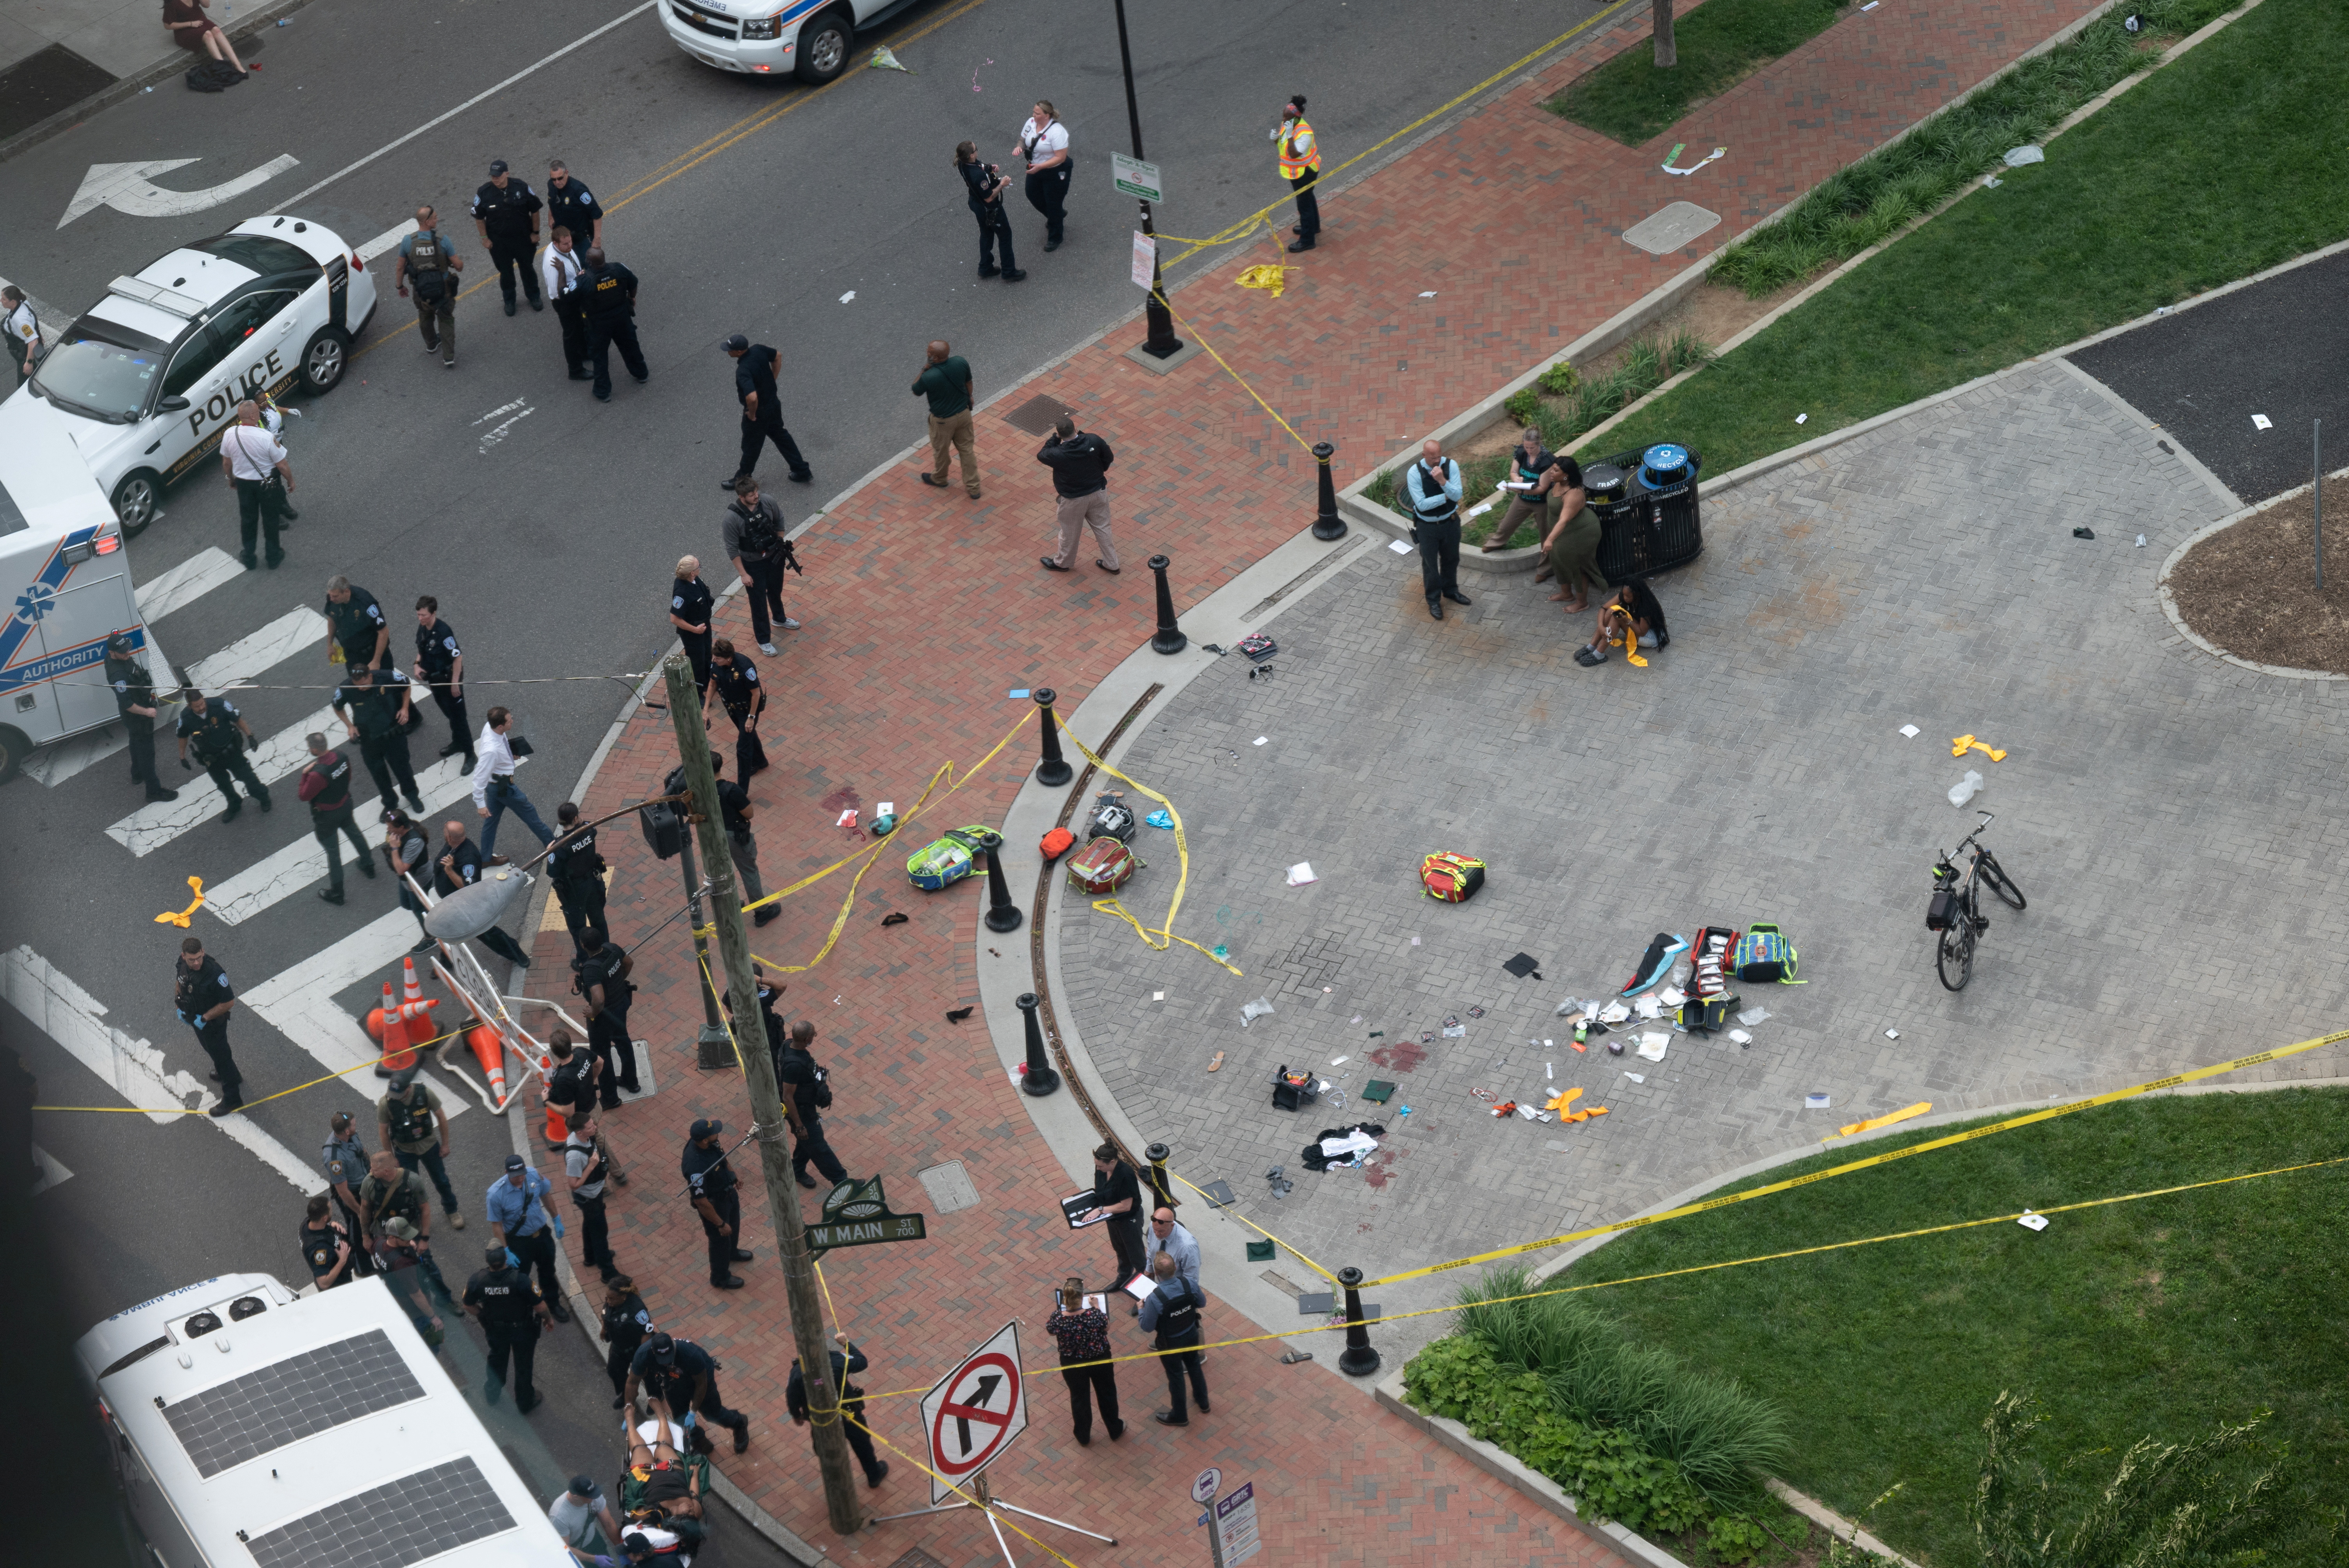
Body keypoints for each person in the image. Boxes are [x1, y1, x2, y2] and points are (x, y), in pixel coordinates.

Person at [786, 1330, 886, 1486]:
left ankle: (837, 1483)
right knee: (862, 1444)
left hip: (822, 1420)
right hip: (849, 1415)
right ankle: (874, 1475)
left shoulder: (798, 1372)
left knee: (825, 1449)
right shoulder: (837, 1361)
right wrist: (846, 1343)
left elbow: (792, 1397)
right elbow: (861, 1362)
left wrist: (796, 1415)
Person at [626, 1331, 752, 1454]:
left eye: (669, 1358)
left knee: (712, 1413)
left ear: (673, 1347)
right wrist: (629, 1408)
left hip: (699, 1380)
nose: (666, 1362)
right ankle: (700, 1442)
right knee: (681, 1417)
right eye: (662, 1360)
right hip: (672, 1381)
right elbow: (632, 1383)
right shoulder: (643, 1355)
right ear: (653, 1352)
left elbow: (701, 1384)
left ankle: (739, 1423)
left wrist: (693, 1413)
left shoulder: (691, 1355)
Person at [463, 1242, 552, 1410]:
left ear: (488, 1261)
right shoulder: (521, 1280)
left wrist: (483, 1316)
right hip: (522, 1330)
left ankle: (492, 1394)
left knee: (497, 1360)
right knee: (523, 1365)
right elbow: (540, 1306)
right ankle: (525, 1403)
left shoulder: (477, 1280)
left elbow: (468, 1305)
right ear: (506, 1258)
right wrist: (548, 1319)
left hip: (495, 1330)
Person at [435, 818, 533, 967]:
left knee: (488, 933)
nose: (443, 830)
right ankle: (447, 961)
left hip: (466, 904)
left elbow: (468, 887)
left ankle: (516, 954)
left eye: (445, 829)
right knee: (449, 929)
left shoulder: (469, 857)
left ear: (449, 836)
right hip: (451, 902)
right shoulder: (452, 845)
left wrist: (449, 871)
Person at [720, 476, 798, 656]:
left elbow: (780, 520)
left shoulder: (767, 501)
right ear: (741, 497)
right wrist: (743, 574)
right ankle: (764, 640)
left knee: (776, 591)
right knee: (758, 603)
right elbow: (732, 549)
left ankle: (780, 619)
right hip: (752, 564)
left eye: (756, 492)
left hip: (774, 558)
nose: (757, 496)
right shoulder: (732, 519)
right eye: (752, 495)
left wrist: (779, 542)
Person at [722, 335, 812, 487]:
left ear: (738, 352)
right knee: (781, 436)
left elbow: (752, 398)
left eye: (730, 350)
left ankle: (742, 480)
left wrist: (752, 414)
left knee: (751, 446)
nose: (727, 352)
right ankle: (802, 471)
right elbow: (777, 356)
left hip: (759, 413)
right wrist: (772, 379)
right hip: (773, 405)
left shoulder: (743, 370)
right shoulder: (758, 349)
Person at [334, 665, 426, 816]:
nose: (361, 689)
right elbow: (337, 706)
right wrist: (350, 726)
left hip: (393, 735)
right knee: (378, 773)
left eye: (364, 685)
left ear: (370, 676)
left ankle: (412, 796)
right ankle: (390, 802)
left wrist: (405, 708)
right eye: (358, 686)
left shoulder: (386, 677)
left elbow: (406, 684)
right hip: (369, 739)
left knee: (403, 769)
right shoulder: (347, 687)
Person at [297, 732, 375, 907]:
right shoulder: (342, 756)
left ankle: (338, 893)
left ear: (315, 750)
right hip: (345, 804)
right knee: (355, 833)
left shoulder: (317, 774)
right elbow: (348, 777)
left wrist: (304, 775)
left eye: (310, 748)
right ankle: (368, 864)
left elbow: (303, 795)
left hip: (327, 816)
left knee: (333, 854)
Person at [487, 1154, 569, 1320]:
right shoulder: (496, 1194)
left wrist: (556, 1218)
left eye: (522, 1174)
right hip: (519, 1242)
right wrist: (507, 1251)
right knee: (519, 1277)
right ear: (506, 1173)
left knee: (548, 1270)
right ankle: (524, 1308)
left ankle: (553, 1303)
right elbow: (497, 1225)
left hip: (541, 1235)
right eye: (515, 1176)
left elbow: (546, 1194)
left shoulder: (533, 1175)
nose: (520, 1179)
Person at [378, 1069, 464, 1224]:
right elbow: (383, 1131)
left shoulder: (425, 1093)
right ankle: (415, 1215)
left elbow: (441, 1117)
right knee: (409, 1187)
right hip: (404, 1151)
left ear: (409, 1088)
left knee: (442, 1180)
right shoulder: (386, 1104)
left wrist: (445, 1144)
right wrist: (391, 1159)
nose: (394, 1097)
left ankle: (452, 1211)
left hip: (429, 1146)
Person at [1044, 1276, 1123, 1445]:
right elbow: (1107, 1326)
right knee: (1107, 1394)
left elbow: (1051, 1331)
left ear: (1065, 1298)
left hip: (1072, 1364)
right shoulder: (1094, 1316)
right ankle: (1115, 1429)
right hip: (1099, 1360)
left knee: (1079, 1398)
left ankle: (1083, 1435)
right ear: (1082, 1297)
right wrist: (1097, 1307)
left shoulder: (1058, 1318)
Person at [1036, 415, 1119, 574]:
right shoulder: (1093, 440)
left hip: (1073, 500)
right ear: (1075, 429)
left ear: (1060, 435)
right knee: (1103, 528)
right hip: (1098, 492)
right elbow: (1109, 458)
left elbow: (1042, 454)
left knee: (1069, 533)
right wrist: (1100, 471)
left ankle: (1063, 563)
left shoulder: (1057, 453)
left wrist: (1054, 440)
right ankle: (1112, 564)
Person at [359, 1150, 451, 1294]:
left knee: (427, 1266)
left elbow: (425, 1210)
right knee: (389, 1272)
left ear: (387, 1171)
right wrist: (366, 1236)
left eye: (374, 1169)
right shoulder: (369, 1183)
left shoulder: (412, 1181)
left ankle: (445, 1299)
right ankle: (401, 1302)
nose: (371, 1171)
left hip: (409, 1233)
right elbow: (365, 1209)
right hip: (384, 1235)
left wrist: (424, 1239)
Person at [173, 687, 270, 819]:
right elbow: (182, 737)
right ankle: (235, 803)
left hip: (232, 753)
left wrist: (250, 736)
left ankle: (263, 797)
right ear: (189, 706)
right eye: (197, 707)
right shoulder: (186, 718)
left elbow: (238, 719)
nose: (201, 708)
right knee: (224, 785)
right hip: (212, 760)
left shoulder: (219, 705)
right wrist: (182, 757)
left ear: (204, 698)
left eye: (202, 703)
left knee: (248, 779)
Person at [774, 1019, 847, 1191]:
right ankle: (843, 1183)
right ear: (807, 1039)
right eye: (813, 1035)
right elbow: (788, 1097)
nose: (814, 1037)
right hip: (801, 1112)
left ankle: (797, 1171)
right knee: (819, 1147)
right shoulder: (794, 1065)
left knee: (807, 1141)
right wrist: (799, 1126)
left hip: (806, 1106)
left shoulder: (788, 1046)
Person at [173, 936, 243, 1115]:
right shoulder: (182, 963)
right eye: (192, 959)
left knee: (221, 1057)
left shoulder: (215, 973)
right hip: (194, 1017)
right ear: (184, 956)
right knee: (211, 1050)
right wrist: (178, 1007)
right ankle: (232, 1075)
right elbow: (180, 982)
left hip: (211, 1023)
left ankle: (233, 1099)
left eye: (199, 958)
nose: (196, 963)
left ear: (203, 952)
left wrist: (204, 1019)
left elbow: (228, 1002)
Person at [1138, 1251, 1209, 1426]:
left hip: (1170, 1343)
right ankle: (1204, 1402)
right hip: (1191, 1333)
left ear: (1156, 1273)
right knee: (1195, 1366)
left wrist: (1141, 1309)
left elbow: (1147, 1327)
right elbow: (1202, 1303)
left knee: (1176, 1377)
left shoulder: (1155, 1298)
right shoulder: (1189, 1284)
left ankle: (1180, 1416)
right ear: (1176, 1268)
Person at [219, 401, 292, 570]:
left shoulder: (230, 434)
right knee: (271, 520)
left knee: (248, 520)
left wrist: (230, 478)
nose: (260, 413)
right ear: (252, 416)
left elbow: (226, 462)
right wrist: (291, 481)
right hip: (267, 485)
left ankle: (249, 556)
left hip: (244, 485)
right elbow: (282, 465)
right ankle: (273, 556)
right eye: (258, 412)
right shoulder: (265, 437)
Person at [473, 706, 552, 861]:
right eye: (510, 721)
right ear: (501, 726)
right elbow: (479, 777)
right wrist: (480, 803)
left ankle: (485, 858)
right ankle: (552, 842)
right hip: (504, 788)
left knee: (491, 822)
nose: (513, 722)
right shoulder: (491, 751)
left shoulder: (491, 727)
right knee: (529, 812)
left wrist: (509, 755)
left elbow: (501, 749)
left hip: (495, 786)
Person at [105, 634, 177, 802]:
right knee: (147, 753)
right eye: (123, 652)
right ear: (112, 653)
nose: (127, 654)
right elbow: (127, 704)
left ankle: (137, 774)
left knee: (135, 742)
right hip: (138, 716)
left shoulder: (113, 657)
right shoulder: (118, 677)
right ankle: (153, 791)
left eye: (127, 649)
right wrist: (147, 712)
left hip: (137, 713)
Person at [681, 1118, 752, 1290]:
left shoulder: (710, 1143)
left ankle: (732, 1252)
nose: (718, 1134)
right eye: (714, 1133)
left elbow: (723, 1158)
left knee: (734, 1226)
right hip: (714, 1206)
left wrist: (733, 1175)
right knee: (720, 1240)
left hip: (728, 1194)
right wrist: (719, 1223)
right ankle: (720, 1278)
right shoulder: (695, 1166)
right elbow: (701, 1201)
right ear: (705, 1140)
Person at [708, 753, 778, 927]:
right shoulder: (731, 790)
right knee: (749, 872)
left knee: (719, 872)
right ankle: (761, 912)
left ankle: (730, 904)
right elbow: (749, 813)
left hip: (710, 835)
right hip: (733, 836)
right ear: (721, 765)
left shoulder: (701, 790)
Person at [1404, 439, 1470, 620]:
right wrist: (1447, 495)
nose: (1437, 461)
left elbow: (1458, 495)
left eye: (1439, 456)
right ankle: (1433, 600)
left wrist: (1442, 480)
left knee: (1452, 559)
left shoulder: (1450, 465)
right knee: (1430, 565)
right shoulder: (1414, 473)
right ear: (1424, 455)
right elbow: (1423, 505)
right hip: (1427, 527)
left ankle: (1451, 591)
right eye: (1433, 458)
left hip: (1451, 522)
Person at [393, 206, 464, 369]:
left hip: (421, 290)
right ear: (427, 222)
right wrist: (459, 267)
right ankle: (448, 357)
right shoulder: (443, 240)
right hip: (444, 289)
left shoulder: (408, 241)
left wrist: (400, 286)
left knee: (425, 316)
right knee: (446, 319)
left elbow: (400, 268)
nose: (437, 220)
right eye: (435, 218)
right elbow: (458, 264)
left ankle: (432, 345)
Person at [472, 159, 545, 316]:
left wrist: (536, 233)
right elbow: (479, 218)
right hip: (499, 243)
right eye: (493, 176)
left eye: (498, 175)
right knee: (506, 273)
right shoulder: (484, 192)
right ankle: (510, 301)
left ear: (507, 174)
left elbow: (535, 210)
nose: (495, 179)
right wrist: (485, 238)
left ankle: (534, 296)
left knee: (527, 269)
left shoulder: (521, 187)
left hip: (523, 240)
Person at [576, 928, 641, 1104]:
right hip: (621, 1003)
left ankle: (611, 1099)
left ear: (583, 946)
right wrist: (618, 981)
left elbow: (598, 1000)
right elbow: (629, 963)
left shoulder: (591, 969)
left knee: (601, 1054)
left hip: (604, 1015)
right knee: (623, 1040)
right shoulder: (612, 948)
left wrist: (592, 1013)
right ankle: (631, 1081)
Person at [910, 340, 981, 498]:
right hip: (964, 415)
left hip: (943, 422)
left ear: (934, 357)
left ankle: (940, 479)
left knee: (941, 451)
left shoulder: (929, 376)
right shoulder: (960, 362)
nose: (927, 353)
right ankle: (974, 488)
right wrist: (969, 397)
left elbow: (916, 390)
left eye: (929, 352)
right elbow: (969, 382)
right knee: (967, 450)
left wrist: (924, 368)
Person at [580, 246, 647, 401]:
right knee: (630, 346)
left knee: (600, 357)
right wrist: (632, 298)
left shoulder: (585, 280)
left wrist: (563, 274)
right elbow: (634, 282)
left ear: (589, 262)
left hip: (599, 325)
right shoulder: (618, 269)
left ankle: (603, 392)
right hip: (622, 317)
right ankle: (641, 373)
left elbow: (566, 294)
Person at [1483, 428, 1564, 553]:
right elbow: (1513, 471)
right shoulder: (1521, 452)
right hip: (1522, 500)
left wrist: (1520, 491)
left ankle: (1546, 565)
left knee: (1546, 533)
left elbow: (1542, 488)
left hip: (1542, 503)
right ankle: (1496, 543)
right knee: (1507, 524)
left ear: (1539, 444)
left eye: (1532, 448)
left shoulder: (1547, 461)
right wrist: (1516, 478)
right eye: (1527, 447)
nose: (1529, 451)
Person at [413, 597, 472, 766]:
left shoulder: (444, 632)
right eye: (418, 615)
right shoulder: (423, 629)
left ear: (433, 614)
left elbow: (458, 658)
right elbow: (421, 651)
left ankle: (470, 753)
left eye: (423, 615)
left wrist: (455, 684)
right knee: (449, 714)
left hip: (449, 679)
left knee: (459, 718)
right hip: (435, 680)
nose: (420, 618)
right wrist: (417, 665)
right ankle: (458, 742)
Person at [1538, 456, 1602, 611]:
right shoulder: (1559, 483)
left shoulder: (1573, 494)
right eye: (1552, 468)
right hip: (1561, 533)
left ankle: (1582, 603)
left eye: (1556, 470)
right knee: (1557, 559)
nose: (1551, 472)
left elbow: (1564, 520)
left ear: (1566, 475)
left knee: (1575, 566)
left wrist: (1550, 540)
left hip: (1579, 533)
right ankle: (1567, 594)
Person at [378, 1218, 452, 1352]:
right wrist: (432, 1317)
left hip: (396, 1296)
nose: (410, 1240)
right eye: (405, 1238)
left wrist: (406, 1244)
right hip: (416, 1310)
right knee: (431, 1346)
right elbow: (417, 1295)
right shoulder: (402, 1264)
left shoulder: (379, 1244)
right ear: (392, 1238)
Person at [954, 142, 1024, 282]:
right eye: (976, 149)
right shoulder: (978, 176)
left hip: (975, 203)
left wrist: (989, 168)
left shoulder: (963, 163)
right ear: (972, 155)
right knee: (1005, 235)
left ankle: (985, 267)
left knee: (986, 233)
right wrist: (1002, 185)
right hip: (988, 208)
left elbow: (977, 166)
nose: (977, 150)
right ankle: (1009, 271)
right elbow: (989, 197)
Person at [700, 638, 769, 780]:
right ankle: (761, 761)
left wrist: (751, 718)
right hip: (732, 709)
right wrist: (706, 710)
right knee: (749, 735)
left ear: (729, 658)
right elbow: (713, 684)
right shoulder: (717, 664)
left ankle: (742, 790)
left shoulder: (745, 668)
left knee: (742, 749)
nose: (715, 660)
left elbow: (756, 693)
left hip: (748, 710)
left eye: (718, 659)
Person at [319, 1111, 378, 1276]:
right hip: (353, 1194)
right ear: (346, 1131)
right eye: (354, 1124)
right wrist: (360, 1211)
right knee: (358, 1231)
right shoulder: (334, 1157)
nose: (356, 1125)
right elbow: (343, 1191)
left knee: (369, 1224)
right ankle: (363, 1268)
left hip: (365, 1183)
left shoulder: (349, 1135)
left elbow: (361, 1151)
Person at [564, 1112, 620, 1282]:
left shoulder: (586, 1138)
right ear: (580, 1133)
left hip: (595, 1193)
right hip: (588, 1197)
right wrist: (592, 1166)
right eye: (590, 1127)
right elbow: (573, 1184)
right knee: (600, 1234)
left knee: (590, 1224)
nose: (595, 1127)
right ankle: (608, 1272)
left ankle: (590, 1257)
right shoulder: (575, 1156)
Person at [549, 804, 608, 956]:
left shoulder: (560, 847)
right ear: (576, 818)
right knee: (599, 920)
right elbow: (587, 827)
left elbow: (552, 871)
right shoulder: (589, 829)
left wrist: (552, 850)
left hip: (574, 892)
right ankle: (606, 951)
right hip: (594, 883)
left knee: (578, 928)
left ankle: (584, 959)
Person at [1014, 102, 1072, 251]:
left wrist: (1041, 166)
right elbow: (1023, 139)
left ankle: (1056, 237)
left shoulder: (1057, 132)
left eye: (1037, 113)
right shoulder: (1031, 122)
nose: (1034, 115)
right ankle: (1057, 216)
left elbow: (1061, 157)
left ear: (1047, 115)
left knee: (1053, 203)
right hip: (1036, 168)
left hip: (1055, 171)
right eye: (1034, 112)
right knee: (1032, 194)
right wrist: (1019, 147)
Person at [1086, 1142, 1146, 1288]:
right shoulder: (1101, 1168)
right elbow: (1099, 1189)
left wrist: (1100, 1210)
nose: (1098, 1168)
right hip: (1112, 1218)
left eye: (1101, 1166)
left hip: (1128, 1219)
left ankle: (1143, 1287)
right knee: (1119, 1248)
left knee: (1136, 1254)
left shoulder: (1125, 1174)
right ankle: (1124, 1277)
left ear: (1112, 1162)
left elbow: (1126, 1206)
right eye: (1097, 1165)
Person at [1577, 577, 1669, 668]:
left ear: (1636, 595)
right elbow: (1604, 609)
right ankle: (1592, 646)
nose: (1624, 598)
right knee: (1611, 611)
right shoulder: (1626, 595)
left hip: (1650, 637)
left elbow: (1642, 632)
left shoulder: (1646, 607)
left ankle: (1599, 654)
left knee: (1616, 619)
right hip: (1639, 627)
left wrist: (1627, 621)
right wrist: (1601, 627)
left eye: (1628, 596)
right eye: (1624, 595)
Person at [383, 807, 437, 954]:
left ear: (401, 827)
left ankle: (430, 937)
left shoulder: (414, 841)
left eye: (391, 827)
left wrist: (394, 848)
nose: (388, 830)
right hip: (408, 880)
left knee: (418, 909)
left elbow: (402, 869)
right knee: (407, 904)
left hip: (418, 880)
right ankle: (429, 912)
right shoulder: (399, 833)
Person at [540, 226, 590, 381]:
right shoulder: (553, 264)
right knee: (571, 335)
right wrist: (578, 282)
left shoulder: (565, 250)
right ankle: (575, 370)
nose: (570, 246)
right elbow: (558, 293)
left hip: (574, 296)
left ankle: (584, 353)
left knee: (581, 326)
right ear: (555, 243)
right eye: (566, 244)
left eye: (570, 242)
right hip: (566, 304)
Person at [1275, 96, 1321, 252]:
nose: (1283, 119)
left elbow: (1294, 154)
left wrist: (1289, 135)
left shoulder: (1304, 133)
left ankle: (1308, 241)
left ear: (1296, 117)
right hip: (1298, 172)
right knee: (1308, 198)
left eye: (1286, 117)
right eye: (1283, 115)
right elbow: (1283, 144)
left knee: (1304, 205)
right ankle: (1313, 227)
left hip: (1305, 172)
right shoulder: (1289, 124)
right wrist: (1276, 139)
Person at [599, 1274, 652, 1409]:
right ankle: (625, 1395)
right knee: (614, 1371)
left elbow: (646, 1332)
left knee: (648, 1376)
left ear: (623, 1297)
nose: (608, 1301)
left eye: (611, 1298)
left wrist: (642, 1357)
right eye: (607, 1298)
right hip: (619, 1346)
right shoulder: (612, 1302)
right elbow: (607, 1315)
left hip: (636, 1348)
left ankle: (655, 1399)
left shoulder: (637, 1309)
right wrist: (604, 1329)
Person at [549, 1474, 622, 1566]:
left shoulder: (594, 1496)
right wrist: (594, 1559)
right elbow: (564, 1548)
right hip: (577, 1554)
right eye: (590, 1496)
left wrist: (621, 1549)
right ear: (576, 1497)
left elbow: (609, 1524)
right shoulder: (559, 1517)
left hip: (594, 1541)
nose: (595, 1497)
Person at [324, 576, 392, 673]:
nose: (331, 599)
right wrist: (330, 644)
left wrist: (376, 661)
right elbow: (332, 618)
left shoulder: (365, 603)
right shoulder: (332, 599)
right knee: (358, 686)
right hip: (352, 656)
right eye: (330, 595)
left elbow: (383, 632)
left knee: (386, 685)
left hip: (373, 653)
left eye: (335, 596)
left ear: (347, 591)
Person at [163, 0, 246, 77]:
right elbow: (168, 25)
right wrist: (191, 24)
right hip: (184, 30)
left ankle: (237, 64)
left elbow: (207, 5)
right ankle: (223, 67)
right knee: (208, 35)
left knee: (217, 30)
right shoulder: (172, 2)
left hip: (200, 21)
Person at [668, 556, 715, 692]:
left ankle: (707, 683)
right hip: (692, 632)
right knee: (696, 663)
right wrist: (695, 630)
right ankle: (697, 692)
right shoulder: (682, 592)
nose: (700, 567)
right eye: (698, 566)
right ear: (692, 573)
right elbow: (674, 619)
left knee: (707, 655)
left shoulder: (695, 580)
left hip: (704, 624)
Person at [299, 1196, 357, 1290]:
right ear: (325, 1218)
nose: (332, 1212)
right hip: (338, 1287)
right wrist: (343, 1260)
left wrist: (330, 1225)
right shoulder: (319, 1250)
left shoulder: (307, 1223)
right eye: (331, 1211)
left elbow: (320, 1223)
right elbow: (323, 1283)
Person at [546, 161, 606, 250]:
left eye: (560, 178)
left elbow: (597, 214)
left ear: (566, 173)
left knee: (586, 264)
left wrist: (597, 239)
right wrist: (551, 216)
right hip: (562, 239)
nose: (557, 182)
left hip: (580, 241)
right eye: (554, 179)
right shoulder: (552, 185)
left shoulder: (579, 191)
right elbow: (553, 201)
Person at [1149, 1206, 1201, 1295]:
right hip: (1160, 1283)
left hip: (1177, 1289)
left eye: (1161, 1232)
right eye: (1155, 1231)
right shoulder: (1154, 1225)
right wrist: (1149, 1269)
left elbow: (1191, 1278)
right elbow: (1151, 1250)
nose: (1157, 1234)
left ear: (1172, 1225)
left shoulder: (1188, 1247)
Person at [4, 284, 41, 386]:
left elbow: (33, 341)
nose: (1, 301)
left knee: (24, 386)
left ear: (13, 302)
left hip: (24, 352)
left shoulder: (20, 320)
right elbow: (32, 324)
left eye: (4, 299)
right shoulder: (23, 303)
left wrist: (29, 363)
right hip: (22, 346)